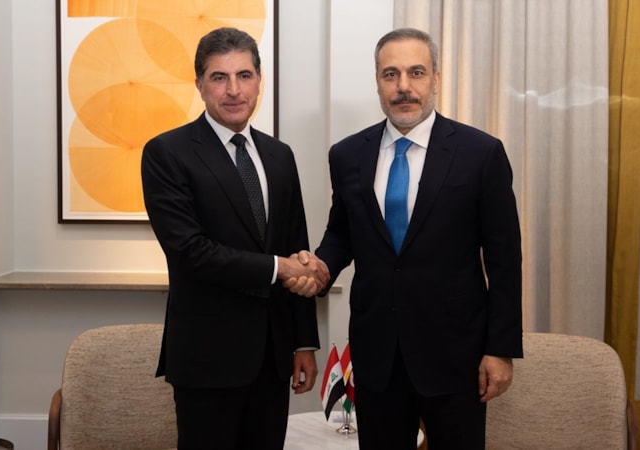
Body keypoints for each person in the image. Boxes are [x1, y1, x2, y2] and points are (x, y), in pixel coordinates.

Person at [313, 28, 523, 449]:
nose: (403, 86)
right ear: (377, 82)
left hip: (456, 356)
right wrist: (318, 268)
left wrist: (500, 349)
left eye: (416, 72)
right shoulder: (347, 155)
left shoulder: (481, 154)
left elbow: (504, 260)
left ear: (436, 79)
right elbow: (342, 232)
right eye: (390, 74)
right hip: (377, 356)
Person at [141, 27, 329, 450]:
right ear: (199, 85)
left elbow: (296, 245)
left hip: (273, 359)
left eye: (244, 75)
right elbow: (190, 251)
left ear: (259, 81)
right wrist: (280, 268)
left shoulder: (279, 155)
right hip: (207, 360)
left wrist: (303, 342)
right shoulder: (167, 153)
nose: (233, 90)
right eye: (219, 77)